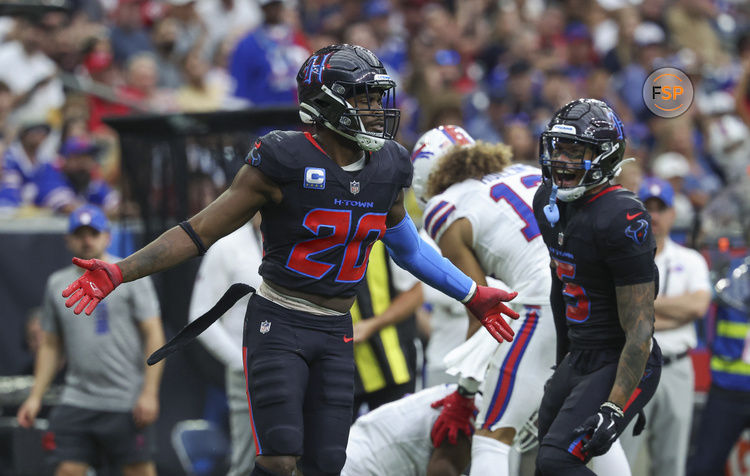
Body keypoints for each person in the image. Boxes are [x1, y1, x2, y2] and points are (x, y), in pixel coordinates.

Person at [60, 44, 520, 476]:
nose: (376, 110)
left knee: (327, 463)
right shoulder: (283, 157)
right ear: (326, 102)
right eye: (362, 99)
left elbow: (409, 249)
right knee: (279, 457)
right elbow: (200, 230)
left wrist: (472, 294)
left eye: (378, 98)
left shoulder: (390, 166)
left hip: (337, 328)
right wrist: (121, 270)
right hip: (279, 321)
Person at [411, 125, 556, 476]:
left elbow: (481, 310)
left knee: (492, 434)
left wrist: (465, 391)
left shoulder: (444, 209)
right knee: (585, 430)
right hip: (588, 292)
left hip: (545, 301)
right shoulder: (526, 171)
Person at [531, 98, 662, 475]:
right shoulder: (547, 201)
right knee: (547, 459)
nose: (562, 161)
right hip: (581, 356)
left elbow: (640, 329)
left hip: (620, 356)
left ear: (604, 156)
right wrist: (562, 364)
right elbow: (562, 290)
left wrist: (617, 404)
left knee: (557, 461)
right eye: (559, 149)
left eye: (576, 151)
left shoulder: (621, 215)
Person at [17, 205, 165, 476]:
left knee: (139, 471)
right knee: (67, 470)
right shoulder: (56, 284)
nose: (87, 240)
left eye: (93, 233)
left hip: (126, 400)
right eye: (79, 234)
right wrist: (35, 397)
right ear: (67, 240)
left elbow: (154, 334)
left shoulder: (130, 276)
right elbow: (50, 344)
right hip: (78, 399)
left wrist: (149, 393)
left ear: (107, 236)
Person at [618, 178, 711, 476]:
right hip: (632, 367)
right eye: (648, 208)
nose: (654, 216)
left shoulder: (691, 259)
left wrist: (643, 307)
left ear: (672, 214)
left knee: (672, 463)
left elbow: (698, 307)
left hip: (676, 369)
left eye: (661, 209)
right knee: (620, 461)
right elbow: (619, 312)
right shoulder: (622, 258)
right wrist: (674, 310)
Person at [188, 220, 264, 476]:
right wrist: (239, 361)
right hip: (248, 370)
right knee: (248, 461)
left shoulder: (301, 239)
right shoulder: (228, 246)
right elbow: (200, 316)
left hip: (297, 364)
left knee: (302, 456)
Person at [687, 255, 750, 476]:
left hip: (727, 389)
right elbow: (699, 305)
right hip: (727, 391)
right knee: (704, 467)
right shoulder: (728, 271)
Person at [350, 240, 423, 418]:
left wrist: (373, 325)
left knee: (395, 439)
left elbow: (416, 292)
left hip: (394, 364)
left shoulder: (387, 235)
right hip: (337, 369)